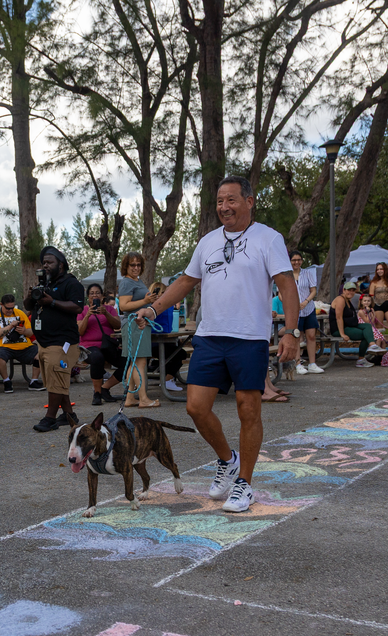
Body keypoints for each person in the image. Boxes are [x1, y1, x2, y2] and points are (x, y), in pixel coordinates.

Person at [136, 175, 300, 513]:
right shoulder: (208, 241)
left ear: (249, 201)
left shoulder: (269, 239)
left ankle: (245, 483)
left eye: (231, 200)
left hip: (250, 337)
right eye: (220, 201)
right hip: (210, 335)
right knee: (195, 407)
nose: (224, 207)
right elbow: (186, 281)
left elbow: (286, 285)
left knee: (248, 409)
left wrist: (291, 332)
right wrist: (153, 308)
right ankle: (228, 459)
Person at [31, 245, 84, 431]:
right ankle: (69, 415)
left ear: (60, 265)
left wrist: (51, 301)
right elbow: (28, 305)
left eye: (49, 262)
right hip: (44, 342)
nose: (45, 265)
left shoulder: (71, 283)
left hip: (63, 342)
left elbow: (77, 307)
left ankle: (50, 418)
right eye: (43, 262)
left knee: (57, 379)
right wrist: (33, 295)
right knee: (55, 380)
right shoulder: (44, 284)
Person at [116, 252, 160, 408]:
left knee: (133, 363)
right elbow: (123, 306)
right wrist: (145, 301)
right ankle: (143, 399)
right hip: (135, 323)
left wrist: (149, 301)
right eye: (132, 265)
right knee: (139, 363)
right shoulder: (127, 282)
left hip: (137, 323)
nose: (136, 267)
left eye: (138, 265)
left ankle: (130, 398)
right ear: (126, 267)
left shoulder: (136, 281)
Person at [77, 283, 124, 406]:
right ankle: (97, 393)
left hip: (108, 345)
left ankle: (105, 388)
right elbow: (80, 331)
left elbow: (117, 325)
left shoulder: (109, 309)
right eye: (92, 293)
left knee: (127, 363)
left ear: (102, 296)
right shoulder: (82, 311)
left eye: (97, 293)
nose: (95, 295)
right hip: (89, 346)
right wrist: (88, 315)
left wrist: (106, 314)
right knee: (97, 357)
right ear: (88, 297)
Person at [0, 293, 41, 393]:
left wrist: (24, 331)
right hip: (3, 346)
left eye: (12, 308)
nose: (10, 310)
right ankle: (6, 381)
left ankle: (34, 381)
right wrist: (10, 327)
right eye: (7, 308)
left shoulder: (20, 313)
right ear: (1, 304)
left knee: (42, 352)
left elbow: (31, 332)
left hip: (24, 346)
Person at [288, 252, 322, 375]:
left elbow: (313, 290)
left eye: (299, 260)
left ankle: (312, 363)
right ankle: (298, 363)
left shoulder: (308, 273)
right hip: (294, 310)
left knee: (311, 335)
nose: (296, 262)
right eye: (293, 260)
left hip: (308, 308)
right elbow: (282, 293)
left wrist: (306, 301)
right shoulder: (287, 275)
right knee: (297, 336)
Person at [330, 282, 378, 367]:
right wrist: (342, 334)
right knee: (365, 335)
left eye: (353, 290)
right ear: (344, 290)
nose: (351, 292)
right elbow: (338, 317)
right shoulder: (340, 299)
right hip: (339, 329)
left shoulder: (349, 300)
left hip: (350, 325)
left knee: (368, 326)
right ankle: (361, 359)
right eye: (348, 290)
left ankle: (372, 345)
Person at [369, 262, 388, 332]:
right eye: (377, 269)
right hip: (377, 304)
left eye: (381, 269)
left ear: (385, 270)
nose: (379, 271)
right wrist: (371, 309)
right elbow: (371, 297)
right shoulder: (374, 282)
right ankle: (381, 342)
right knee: (379, 328)